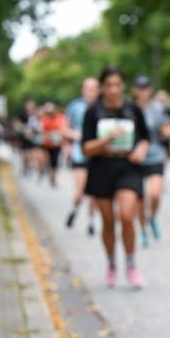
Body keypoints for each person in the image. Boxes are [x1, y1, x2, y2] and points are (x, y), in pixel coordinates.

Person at [82, 66, 150, 289]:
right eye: (109, 85)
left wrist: (141, 150)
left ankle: (131, 264)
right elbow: (86, 148)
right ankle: (112, 264)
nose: (113, 89)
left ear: (123, 86)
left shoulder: (133, 110)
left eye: (117, 85)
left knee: (127, 215)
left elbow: (145, 139)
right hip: (102, 168)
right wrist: (107, 139)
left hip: (128, 167)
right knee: (108, 221)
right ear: (102, 87)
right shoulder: (93, 112)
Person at [132, 74, 170, 247]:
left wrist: (167, 132)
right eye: (140, 88)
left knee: (155, 194)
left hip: (155, 155)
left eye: (146, 88)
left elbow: (165, 127)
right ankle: (142, 231)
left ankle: (152, 218)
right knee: (140, 199)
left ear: (150, 90)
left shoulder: (157, 109)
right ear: (134, 90)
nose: (143, 92)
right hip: (137, 158)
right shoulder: (130, 109)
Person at [65, 78, 100, 233]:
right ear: (83, 90)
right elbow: (64, 128)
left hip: (96, 153)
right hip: (79, 153)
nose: (90, 91)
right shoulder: (75, 106)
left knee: (93, 192)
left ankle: (91, 221)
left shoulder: (102, 106)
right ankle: (75, 209)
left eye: (94, 88)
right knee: (80, 191)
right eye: (88, 88)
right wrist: (75, 137)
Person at [39, 102, 68, 188]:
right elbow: (42, 131)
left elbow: (63, 129)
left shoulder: (60, 118)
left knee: (55, 162)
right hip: (46, 144)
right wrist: (48, 135)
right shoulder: (45, 119)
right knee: (46, 161)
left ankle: (53, 179)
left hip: (56, 144)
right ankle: (45, 173)